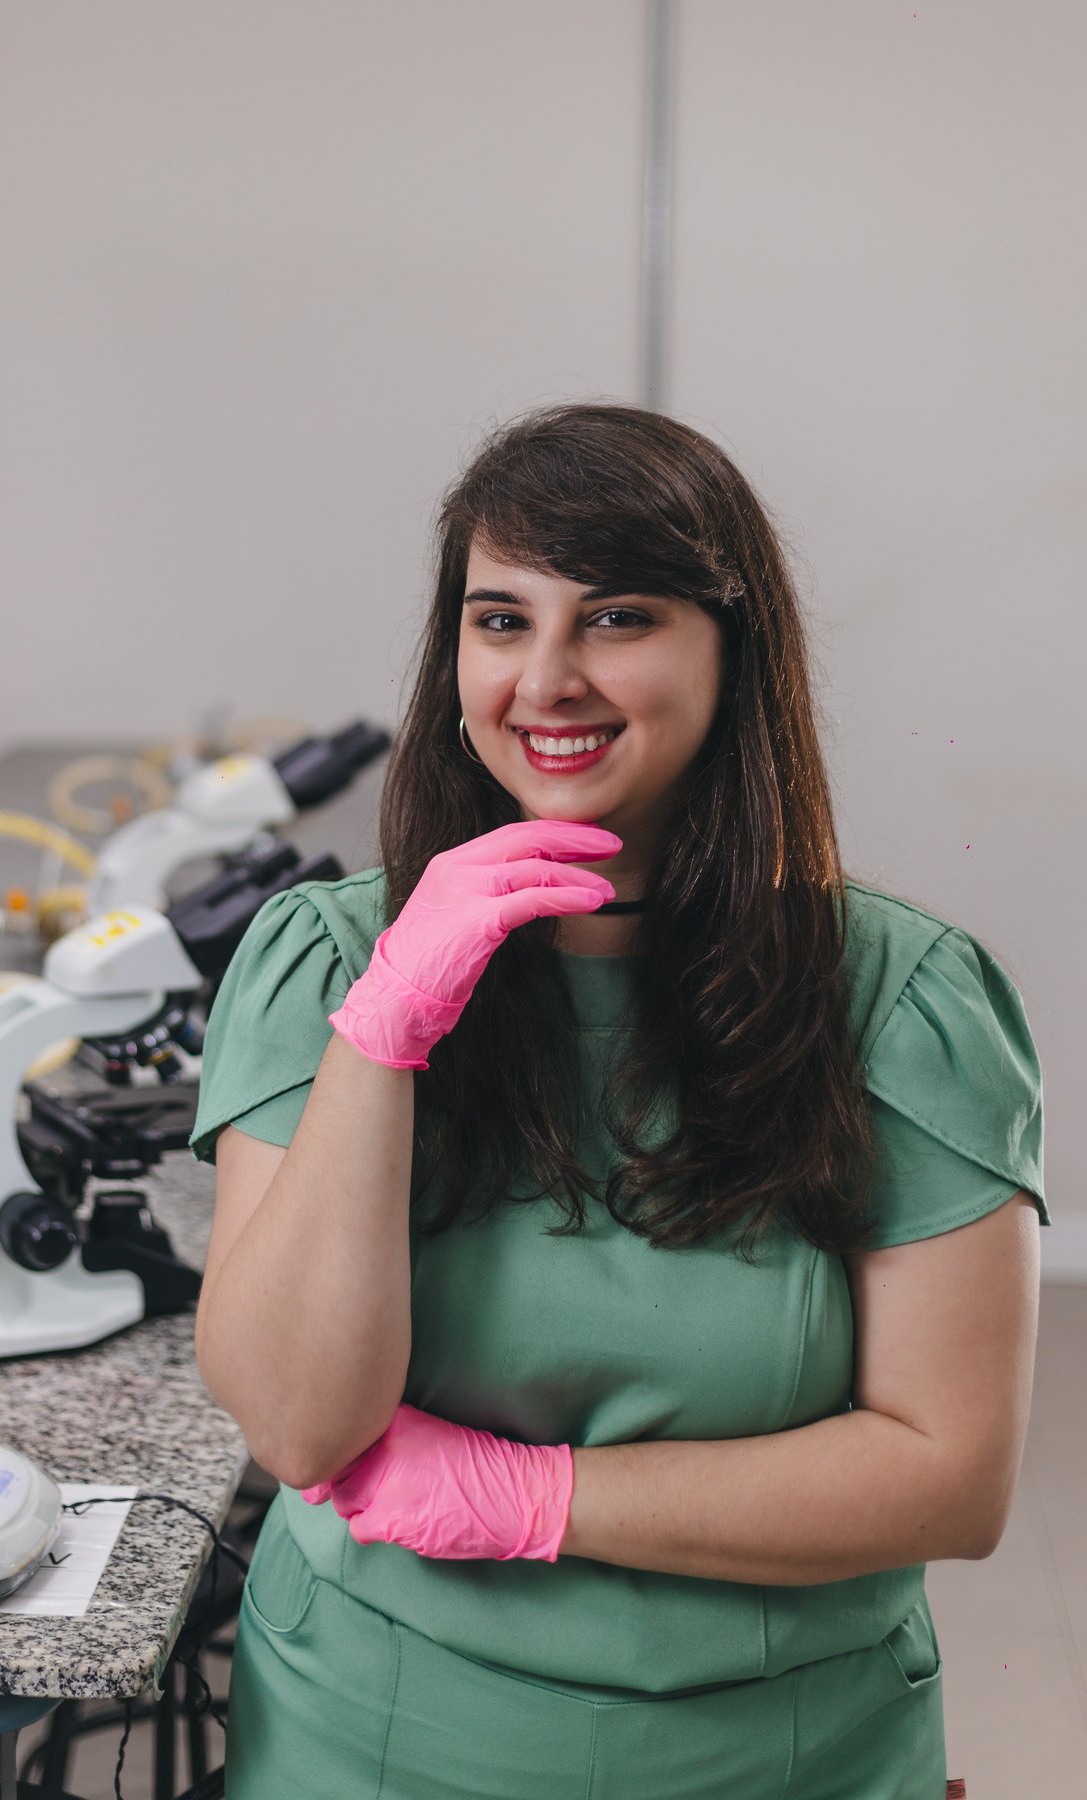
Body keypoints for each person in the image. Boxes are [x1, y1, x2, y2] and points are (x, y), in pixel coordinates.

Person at [190, 403, 1048, 1800]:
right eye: (501, 619)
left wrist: (537, 1503)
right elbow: (296, 1424)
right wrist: (384, 1030)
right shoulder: (331, 963)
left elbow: (949, 1477)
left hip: (777, 1755)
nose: (547, 680)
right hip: (376, 1737)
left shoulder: (900, 1001)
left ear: (730, 650)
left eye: (619, 618)